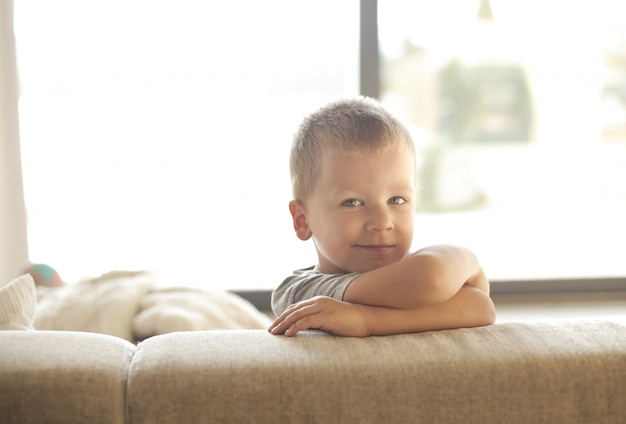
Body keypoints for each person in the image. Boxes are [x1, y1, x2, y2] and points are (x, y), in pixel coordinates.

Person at [269, 97, 496, 337]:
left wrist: (366, 320)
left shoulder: (414, 272)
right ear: (303, 220)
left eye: (396, 200)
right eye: (352, 202)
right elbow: (436, 280)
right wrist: (467, 265)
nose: (381, 222)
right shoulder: (299, 293)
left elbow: (480, 306)